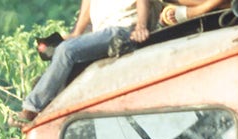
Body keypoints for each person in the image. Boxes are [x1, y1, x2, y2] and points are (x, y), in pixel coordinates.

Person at [19, 0, 151, 122]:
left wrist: (141, 26)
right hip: (101, 33)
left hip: (122, 29)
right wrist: (77, 33)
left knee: (66, 50)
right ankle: (50, 115)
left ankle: (32, 107)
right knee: (61, 57)